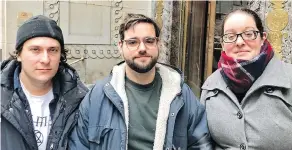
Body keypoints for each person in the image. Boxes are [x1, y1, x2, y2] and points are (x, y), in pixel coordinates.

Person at [68, 13, 213, 150]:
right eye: (133, 42)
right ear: (120, 46)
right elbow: (79, 144)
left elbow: (201, 144)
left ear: (158, 44)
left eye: (149, 41)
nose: (142, 48)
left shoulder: (182, 95)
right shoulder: (97, 96)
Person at [200, 8, 292, 150]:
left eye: (249, 34)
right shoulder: (211, 86)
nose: (240, 42)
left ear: (263, 38)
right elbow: (202, 141)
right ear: (223, 44)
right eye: (230, 36)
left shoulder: (288, 77)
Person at [1, 15, 88, 150]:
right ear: (19, 54)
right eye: (35, 50)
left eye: (53, 50)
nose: (45, 59)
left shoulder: (82, 99)